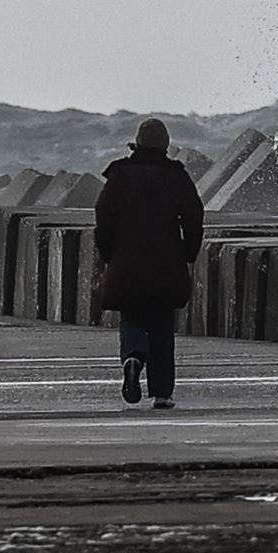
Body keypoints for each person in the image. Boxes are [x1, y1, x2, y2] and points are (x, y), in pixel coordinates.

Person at [95, 117, 204, 409]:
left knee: (131, 316)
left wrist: (108, 254)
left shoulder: (119, 175)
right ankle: (162, 392)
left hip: (126, 262)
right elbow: (195, 217)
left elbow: (103, 218)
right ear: (166, 146)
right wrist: (188, 253)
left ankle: (133, 356)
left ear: (137, 144)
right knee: (161, 323)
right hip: (166, 261)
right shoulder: (176, 176)